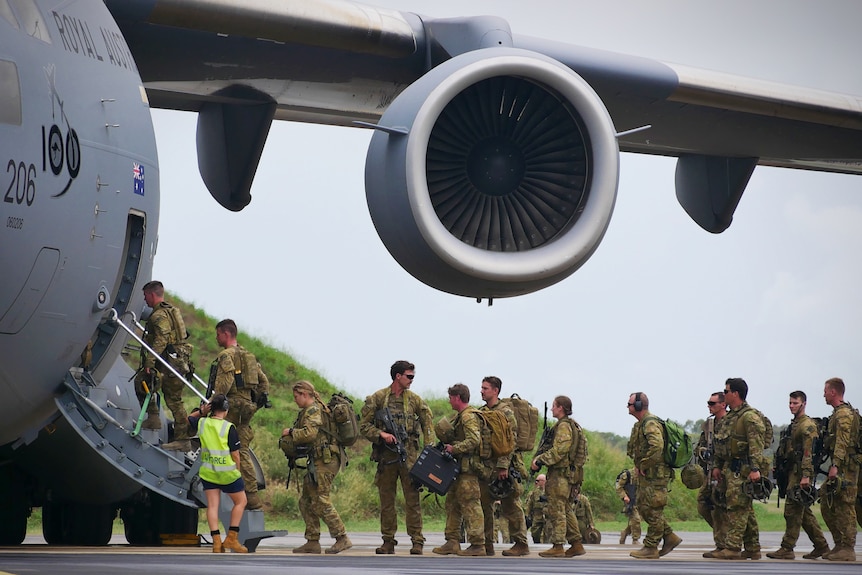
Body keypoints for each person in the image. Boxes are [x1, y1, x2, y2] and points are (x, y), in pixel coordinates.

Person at [359, 360, 434, 555]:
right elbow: (363, 426)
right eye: (409, 376)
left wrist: (429, 449)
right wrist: (381, 435)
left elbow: (427, 421)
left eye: (413, 376)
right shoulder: (378, 398)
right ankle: (388, 541)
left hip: (409, 455)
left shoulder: (415, 400)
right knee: (387, 501)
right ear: (397, 376)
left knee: (413, 500)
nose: (411, 380)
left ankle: (417, 540)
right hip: (386, 456)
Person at [282, 380, 352, 554]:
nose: (295, 400)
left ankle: (342, 538)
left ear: (304, 395)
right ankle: (312, 541)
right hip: (319, 460)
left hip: (326, 461)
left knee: (321, 500)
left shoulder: (313, 410)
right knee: (306, 500)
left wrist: (290, 433)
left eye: (296, 396)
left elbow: (309, 434)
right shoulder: (310, 410)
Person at [209, 319, 270, 510]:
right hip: (246, 409)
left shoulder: (226, 356)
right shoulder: (249, 356)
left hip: (231, 407)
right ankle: (251, 497)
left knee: (216, 442)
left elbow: (224, 385)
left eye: (218, 334)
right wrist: (252, 404)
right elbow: (264, 384)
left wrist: (213, 404)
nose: (216, 338)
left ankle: (221, 487)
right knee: (242, 449)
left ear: (226, 334)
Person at [766, 390, 830, 560]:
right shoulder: (794, 425)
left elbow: (809, 452)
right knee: (803, 513)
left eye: (795, 403)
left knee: (792, 511)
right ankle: (821, 545)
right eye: (790, 403)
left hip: (800, 472)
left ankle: (787, 548)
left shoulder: (807, 426)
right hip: (791, 472)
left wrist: (806, 476)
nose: (792, 406)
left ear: (804, 404)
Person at [710, 377, 767, 560]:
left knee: (737, 508)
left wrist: (755, 468)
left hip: (743, 470)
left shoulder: (749, 417)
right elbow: (722, 443)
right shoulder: (731, 417)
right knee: (745, 509)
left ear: (735, 394)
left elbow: (756, 445)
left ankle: (733, 548)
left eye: (726, 391)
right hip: (729, 469)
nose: (724, 394)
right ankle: (752, 548)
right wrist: (717, 466)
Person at [135, 280, 193, 446]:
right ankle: (157, 421)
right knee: (171, 397)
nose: (145, 300)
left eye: (145, 296)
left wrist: (150, 361)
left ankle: (180, 438)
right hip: (178, 360)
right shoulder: (171, 311)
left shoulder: (159, 315)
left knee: (147, 385)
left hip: (169, 363)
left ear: (152, 294)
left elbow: (162, 338)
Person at [477, 376, 530, 556]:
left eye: (485, 388)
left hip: (503, 467)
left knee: (511, 505)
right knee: (485, 506)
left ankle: (521, 543)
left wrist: (503, 466)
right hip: (486, 466)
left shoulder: (506, 412)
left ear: (495, 391)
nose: (482, 391)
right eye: (482, 388)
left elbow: (511, 440)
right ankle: (487, 544)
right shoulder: (482, 411)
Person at [626, 392, 682, 559]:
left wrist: (644, 464)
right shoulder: (641, 424)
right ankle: (670, 537)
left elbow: (656, 446)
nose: (627, 407)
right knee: (644, 507)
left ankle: (651, 547)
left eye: (629, 404)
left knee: (653, 509)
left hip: (655, 475)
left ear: (638, 406)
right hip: (648, 475)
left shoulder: (650, 423)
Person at [530, 395, 586, 558]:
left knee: (557, 510)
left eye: (554, 406)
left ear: (561, 407)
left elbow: (559, 451)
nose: (552, 409)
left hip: (560, 476)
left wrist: (540, 460)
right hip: (566, 475)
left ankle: (558, 545)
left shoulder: (563, 427)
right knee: (566, 509)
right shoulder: (571, 425)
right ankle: (576, 544)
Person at [432, 383, 485, 556]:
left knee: (471, 506)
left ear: (457, 398)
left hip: (468, 470)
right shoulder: (461, 416)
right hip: (458, 470)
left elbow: (474, 440)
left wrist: (454, 449)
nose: (449, 401)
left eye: (450, 398)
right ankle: (452, 541)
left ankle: (477, 545)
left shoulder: (468, 416)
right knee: (452, 504)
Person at [190, 394, 247, 553]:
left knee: (213, 506)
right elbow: (235, 454)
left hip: (208, 472)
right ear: (226, 409)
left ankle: (216, 542)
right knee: (241, 502)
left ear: (211, 408)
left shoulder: (202, 423)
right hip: (227, 474)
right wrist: (238, 471)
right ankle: (231, 539)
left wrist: (202, 411)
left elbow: (189, 418)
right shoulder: (229, 428)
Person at [820, 377, 859, 561]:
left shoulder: (843, 414)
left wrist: (835, 465)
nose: (824, 394)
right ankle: (839, 544)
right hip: (842, 465)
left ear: (833, 392)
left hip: (847, 467)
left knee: (846, 504)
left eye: (826, 390)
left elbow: (842, 441)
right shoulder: (838, 413)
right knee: (827, 497)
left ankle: (848, 548)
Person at [696, 391, 730, 557]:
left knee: (719, 507)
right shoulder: (708, 425)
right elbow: (702, 445)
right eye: (708, 403)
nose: (709, 406)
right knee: (703, 503)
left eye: (712, 403)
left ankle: (724, 544)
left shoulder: (729, 423)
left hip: (724, 471)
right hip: (709, 471)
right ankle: (724, 538)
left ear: (723, 404)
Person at [614, 468, 642, 544]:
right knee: (636, 519)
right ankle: (635, 539)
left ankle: (625, 532)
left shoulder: (645, 474)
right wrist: (624, 496)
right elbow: (619, 486)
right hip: (630, 500)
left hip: (640, 500)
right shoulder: (628, 475)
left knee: (634, 521)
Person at [524, 474, 549, 543]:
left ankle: (545, 545)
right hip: (537, 515)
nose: (536, 482)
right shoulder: (535, 492)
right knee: (535, 532)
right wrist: (527, 515)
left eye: (538, 481)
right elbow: (530, 503)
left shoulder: (550, 490)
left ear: (544, 481)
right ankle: (537, 543)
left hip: (547, 516)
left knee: (546, 533)